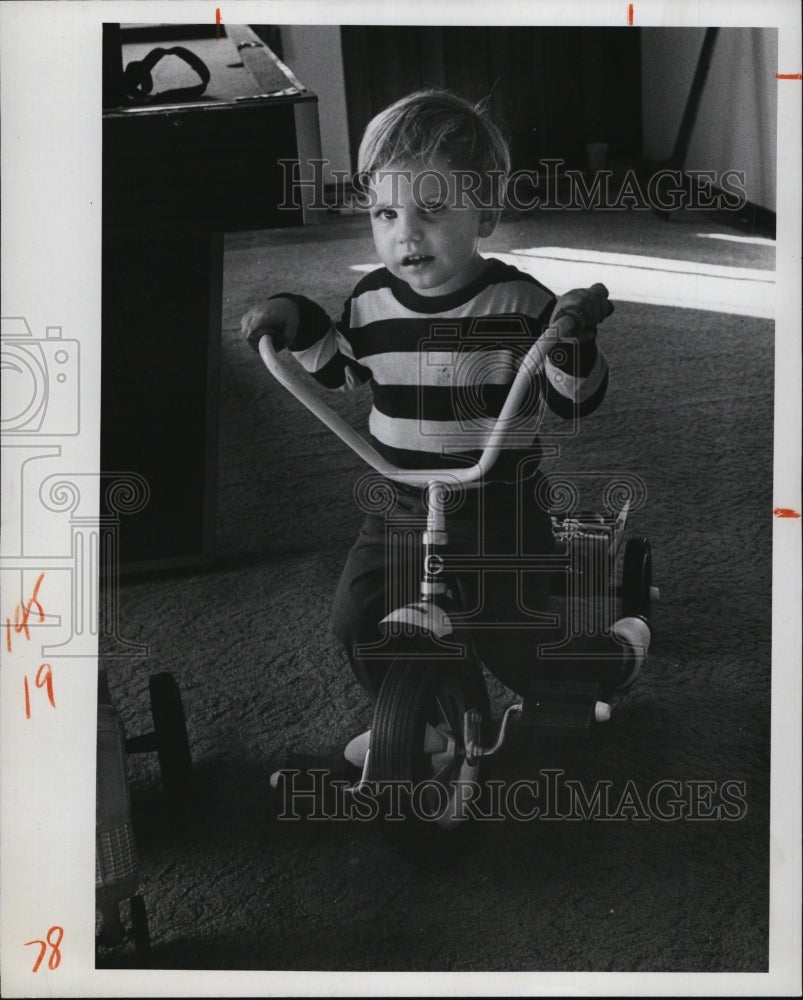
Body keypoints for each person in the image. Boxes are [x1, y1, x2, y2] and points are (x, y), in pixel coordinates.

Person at [242, 89, 650, 766]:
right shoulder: (371, 299)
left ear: (485, 212)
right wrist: (299, 319)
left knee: (516, 644)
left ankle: (612, 659)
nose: (406, 233)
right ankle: (426, 722)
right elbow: (341, 370)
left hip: (498, 507)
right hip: (400, 505)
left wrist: (571, 342)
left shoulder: (521, 303)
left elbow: (575, 401)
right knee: (358, 619)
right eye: (386, 213)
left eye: (431, 210)